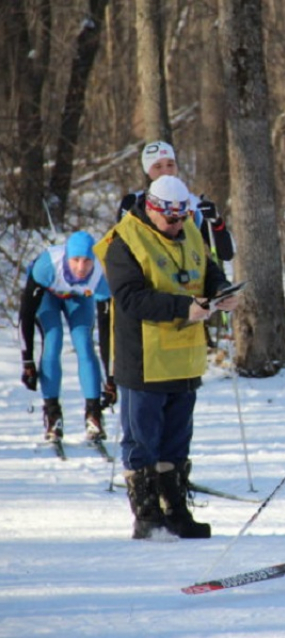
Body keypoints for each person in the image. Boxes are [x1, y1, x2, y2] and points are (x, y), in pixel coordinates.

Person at [95, 175, 240, 541]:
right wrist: (183, 307)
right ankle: (147, 514)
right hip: (144, 358)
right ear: (152, 208)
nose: (177, 226)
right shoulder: (123, 241)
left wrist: (220, 292)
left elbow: (208, 270)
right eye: (170, 220)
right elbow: (130, 298)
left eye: (181, 218)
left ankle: (176, 509)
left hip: (184, 358)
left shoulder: (190, 230)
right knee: (142, 439)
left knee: (177, 440)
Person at [18, 232, 114, 443]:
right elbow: (25, 316)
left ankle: (93, 413)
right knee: (53, 339)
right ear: (66, 257)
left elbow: (109, 332)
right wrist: (28, 361)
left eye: (87, 260)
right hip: (48, 296)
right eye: (75, 260)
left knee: (84, 344)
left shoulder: (101, 275)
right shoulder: (46, 266)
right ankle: (53, 414)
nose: (81, 267)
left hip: (79, 298)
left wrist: (111, 377)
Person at [117, 140, 235, 262]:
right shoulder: (133, 201)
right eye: (158, 166)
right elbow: (121, 247)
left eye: (170, 164)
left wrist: (216, 222)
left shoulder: (194, 204)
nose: (165, 171)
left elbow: (226, 253)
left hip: (189, 270)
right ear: (148, 170)